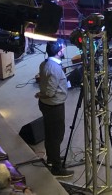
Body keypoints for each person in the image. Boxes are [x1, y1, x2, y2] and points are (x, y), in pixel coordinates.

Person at [35, 40, 73, 177]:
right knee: (56, 136)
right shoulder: (55, 68)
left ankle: (52, 158)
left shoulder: (44, 63)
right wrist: (40, 94)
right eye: (62, 49)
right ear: (58, 52)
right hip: (54, 106)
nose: (64, 50)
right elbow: (50, 92)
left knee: (50, 133)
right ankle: (57, 168)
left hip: (46, 105)